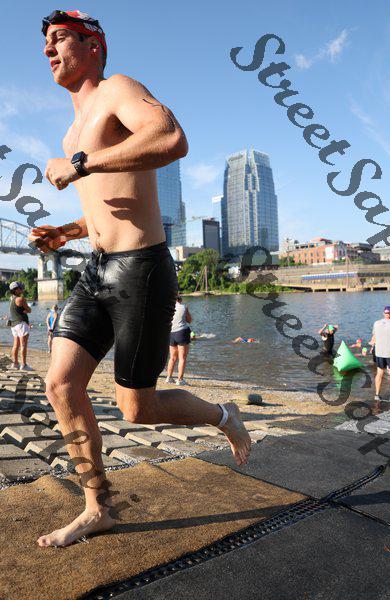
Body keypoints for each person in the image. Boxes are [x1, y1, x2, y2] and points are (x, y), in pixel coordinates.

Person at [29, 10, 250, 548]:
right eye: (47, 42)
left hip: (141, 269)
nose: (49, 50)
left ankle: (224, 415)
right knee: (60, 385)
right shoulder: (72, 129)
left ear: (94, 47)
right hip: (95, 268)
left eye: (61, 38)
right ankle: (97, 507)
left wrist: (81, 163)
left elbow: (171, 137)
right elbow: (105, 206)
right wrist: (66, 231)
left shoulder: (118, 89)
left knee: (137, 408)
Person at [371, 306, 390, 401]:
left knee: (379, 372)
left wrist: (372, 346)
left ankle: (376, 395)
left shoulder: (376, 323)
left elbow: (374, 338)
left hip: (379, 352)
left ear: (383, 313)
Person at [166, 296, 192, 385]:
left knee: (172, 358)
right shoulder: (183, 307)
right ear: (180, 300)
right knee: (182, 358)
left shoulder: (169, 308)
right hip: (182, 333)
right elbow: (189, 320)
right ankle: (180, 380)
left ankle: (169, 377)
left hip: (171, 333)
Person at [7, 281, 33, 371]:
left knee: (15, 345)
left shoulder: (11, 299)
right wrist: (25, 310)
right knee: (23, 345)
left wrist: (23, 310)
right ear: (16, 290)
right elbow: (29, 310)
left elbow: (16, 310)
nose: (22, 289)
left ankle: (15, 364)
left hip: (13, 324)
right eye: (20, 288)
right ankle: (24, 365)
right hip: (21, 323)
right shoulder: (20, 299)